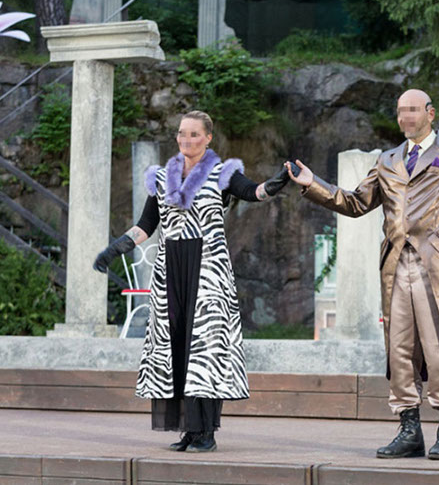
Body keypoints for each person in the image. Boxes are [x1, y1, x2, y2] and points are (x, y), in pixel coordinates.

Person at [285, 76, 439, 460]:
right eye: (401, 110)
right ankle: (408, 429)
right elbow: (356, 202)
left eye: (413, 109)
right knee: (400, 349)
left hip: (438, 263)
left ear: (430, 113)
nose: (406, 116)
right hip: (396, 263)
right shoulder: (388, 160)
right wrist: (313, 184)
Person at [92, 110, 297, 452]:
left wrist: (278, 181)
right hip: (171, 268)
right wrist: (115, 248)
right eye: (182, 133)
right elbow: (146, 225)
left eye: (194, 134)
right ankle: (189, 429)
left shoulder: (222, 174)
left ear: (208, 138)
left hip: (207, 270)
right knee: (175, 346)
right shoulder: (161, 179)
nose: (186, 139)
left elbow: (253, 192)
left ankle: (207, 432)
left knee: (205, 348)